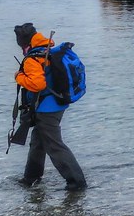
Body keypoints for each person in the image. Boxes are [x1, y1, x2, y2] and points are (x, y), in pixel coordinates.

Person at [12, 23, 87, 191]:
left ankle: (77, 182)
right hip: (57, 103)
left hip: (47, 109)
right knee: (38, 141)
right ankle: (31, 178)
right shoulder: (47, 49)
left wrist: (19, 77)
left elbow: (37, 84)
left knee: (54, 145)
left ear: (24, 43)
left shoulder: (32, 58)